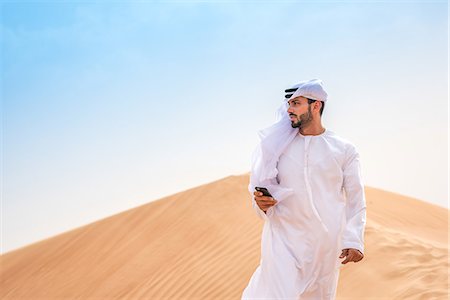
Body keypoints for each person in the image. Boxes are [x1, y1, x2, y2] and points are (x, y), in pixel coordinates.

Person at [241, 79, 366, 299]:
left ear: (316, 105)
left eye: (296, 103)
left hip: (325, 246)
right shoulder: (278, 148)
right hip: (284, 241)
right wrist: (260, 203)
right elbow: (260, 191)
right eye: (289, 104)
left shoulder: (344, 149)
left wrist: (354, 239)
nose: (289, 109)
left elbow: (356, 199)